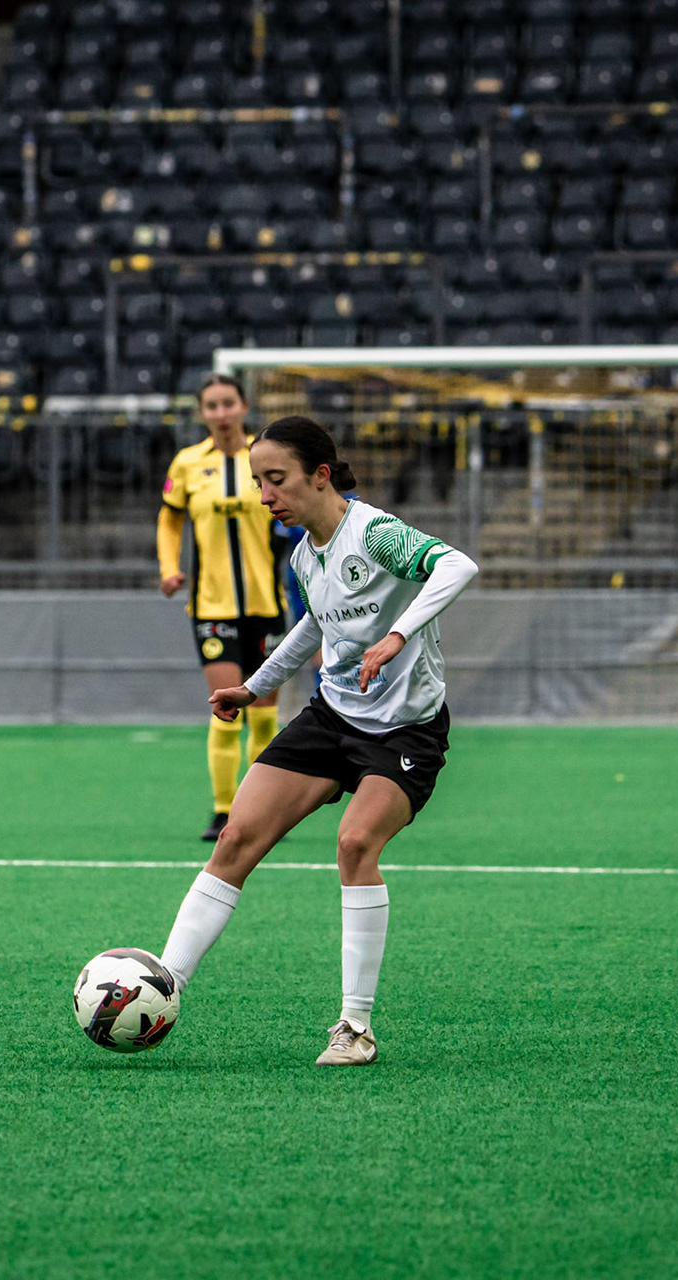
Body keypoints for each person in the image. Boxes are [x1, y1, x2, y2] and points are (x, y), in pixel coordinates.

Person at [154, 415, 479, 1065]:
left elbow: (457, 565)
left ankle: (355, 1028)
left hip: (405, 729)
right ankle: (161, 987)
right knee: (236, 838)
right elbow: (313, 628)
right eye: (259, 482)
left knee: (356, 843)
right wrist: (254, 687)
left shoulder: (375, 534)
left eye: (276, 480)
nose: (265, 496)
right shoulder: (305, 553)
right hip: (333, 718)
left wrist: (397, 635)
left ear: (320, 475)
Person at [156, 374, 290, 841]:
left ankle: (264, 811)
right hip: (211, 607)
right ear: (202, 412)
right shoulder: (188, 463)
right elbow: (169, 518)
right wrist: (169, 567)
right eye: (211, 405)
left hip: (265, 603)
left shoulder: (266, 457)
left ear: (244, 406)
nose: (221, 413)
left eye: (228, 403)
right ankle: (223, 811)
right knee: (226, 708)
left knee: (265, 715)